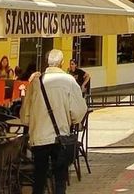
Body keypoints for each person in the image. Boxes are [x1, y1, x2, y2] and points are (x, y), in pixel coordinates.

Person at [22, 49, 87, 194]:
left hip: (40, 137)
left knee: (39, 178)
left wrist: (33, 123)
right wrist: (70, 119)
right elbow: (79, 111)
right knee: (60, 180)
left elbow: (25, 114)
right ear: (62, 63)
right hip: (60, 137)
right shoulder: (69, 81)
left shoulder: (36, 82)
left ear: (47, 62)